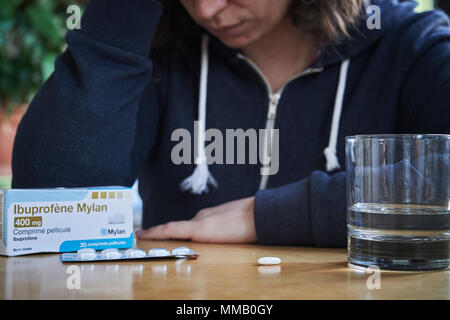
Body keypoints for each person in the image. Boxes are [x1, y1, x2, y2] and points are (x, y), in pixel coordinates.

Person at [12, 0, 450, 247]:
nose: (207, 8)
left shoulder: (415, 47)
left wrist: (272, 216)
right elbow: (53, 205)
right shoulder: (161, 52)